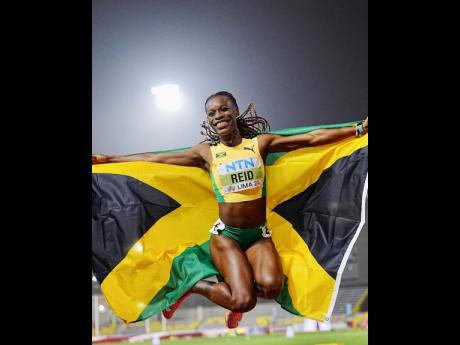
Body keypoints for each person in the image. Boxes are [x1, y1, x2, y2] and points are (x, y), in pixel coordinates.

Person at [92, 91, 368, 328]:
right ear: (208, 120)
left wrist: (357, 130)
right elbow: (155, 159)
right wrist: (111, 159)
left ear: (235, 111)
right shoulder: (207, 153)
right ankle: (190, 285)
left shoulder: (259, 144)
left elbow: (312, 138)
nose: (218, 116)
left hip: (259, 236)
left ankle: (234, 288)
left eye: (224, 109)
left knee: (272, 288)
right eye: (212, 113)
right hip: (227, 237)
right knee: (243, 300)